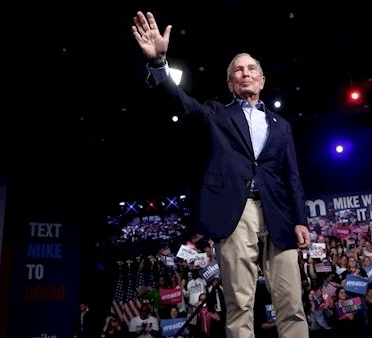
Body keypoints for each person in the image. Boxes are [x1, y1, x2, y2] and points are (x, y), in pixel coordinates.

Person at [131, 11, 311, 338]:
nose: (245, 73)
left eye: (251, 68)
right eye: (238, 70)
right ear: (230, 83)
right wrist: (159, 63)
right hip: (234, 212)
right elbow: (183, 104)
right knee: (240, 303)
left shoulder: (281, 126)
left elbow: (292, 176)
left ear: (262, 79)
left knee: (292, 302)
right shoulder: (216, 113)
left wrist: (301, 219)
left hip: (279, 215)